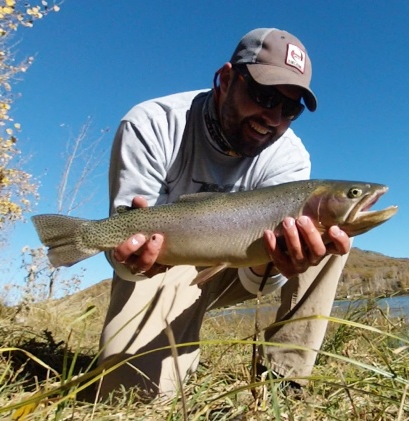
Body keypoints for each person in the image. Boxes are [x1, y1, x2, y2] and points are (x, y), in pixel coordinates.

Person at [95, 28, 352, 400]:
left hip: (240, 264)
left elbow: (255, 283)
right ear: (227, 79)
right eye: (264, 95)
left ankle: (283, 380)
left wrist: (275, 262)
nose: (274, 117)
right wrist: (132, 261)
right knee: (135, 395)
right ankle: (173, 350)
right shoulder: (153, 123)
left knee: (330, 229)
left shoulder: (289, 158)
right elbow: (124, 252)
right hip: (168, 263)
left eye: (290, 108)